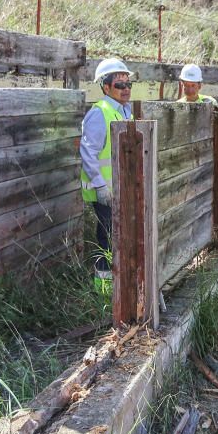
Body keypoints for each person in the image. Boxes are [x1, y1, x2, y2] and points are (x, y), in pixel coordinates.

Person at [80, 58, 134, 280]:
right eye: (120, 85)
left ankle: (120, 284)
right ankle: (104, 290)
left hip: (120, 188)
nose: (126, 89)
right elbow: (88, 152)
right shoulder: (99, 113)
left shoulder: (124, 111)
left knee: (120, 238)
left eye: (128, 84)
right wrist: (100, 186)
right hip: (105, 191)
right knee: (107, 238)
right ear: (106, 87)